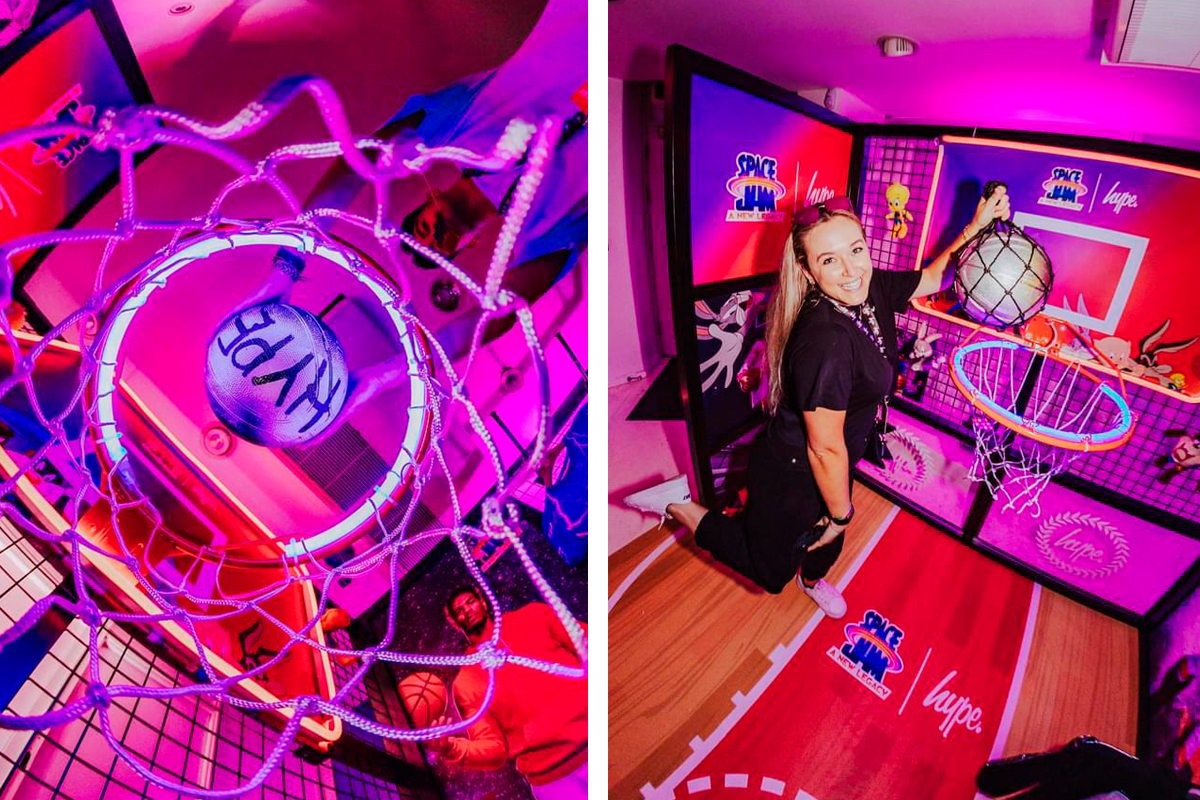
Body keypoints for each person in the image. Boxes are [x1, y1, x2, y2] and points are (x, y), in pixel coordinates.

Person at [623, 188, 1010, 618]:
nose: (851, 270)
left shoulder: (869, 287)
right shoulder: (825, 341)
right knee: (772, 572)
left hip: (839, 455)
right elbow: (823, 449)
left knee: (828, 535)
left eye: (856, 250)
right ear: (807, 271)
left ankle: (811, 580)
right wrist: (841, 515)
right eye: (829, 260)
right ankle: (677, 502)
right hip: (793, 470)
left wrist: (975, 228)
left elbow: (935, 278)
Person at [428, 584, 587, 800]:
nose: (467, 611)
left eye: (470, 602)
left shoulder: (533, 616)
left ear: (482, 602)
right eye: (459, 611)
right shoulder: (466, 681)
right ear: (455, 622)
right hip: (552, 782)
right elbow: (495, 749)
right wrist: (452, 748)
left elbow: (588, 643)